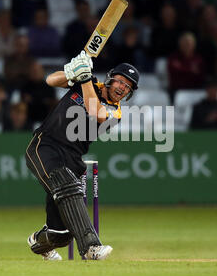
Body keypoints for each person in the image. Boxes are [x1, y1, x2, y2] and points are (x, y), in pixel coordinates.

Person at [26, 51, 139, 260]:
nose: (123, 88)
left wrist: (85, 77)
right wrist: (72, 71)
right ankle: (91, 247)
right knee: (68, 184)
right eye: (121, 82)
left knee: (62, 234)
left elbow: (95, 111)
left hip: (72, 158)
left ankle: (38, 242)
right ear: (111, 78)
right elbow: (50, 80)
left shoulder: (116, 112)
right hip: (45, 146)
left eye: (128, 87)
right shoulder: (87, 83)